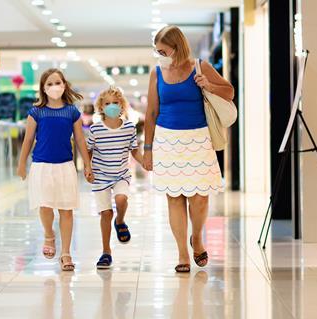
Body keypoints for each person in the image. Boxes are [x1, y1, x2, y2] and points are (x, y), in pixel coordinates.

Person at [143, 25, 234, 273]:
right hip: (167, 141)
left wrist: (208, 85)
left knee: (200, 198)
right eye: (158, 51)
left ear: (177, 46)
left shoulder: (200, 66)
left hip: (197, 139)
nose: (161, 55)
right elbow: (150, 112)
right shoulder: (157, 73)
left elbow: (229, 91)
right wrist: (147, 148)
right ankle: (183, 253)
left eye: (163, 50)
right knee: (174, 198)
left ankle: (197, 238)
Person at [17, 68, 93, 272]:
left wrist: (87, 164)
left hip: (65, 166)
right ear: (43, 88)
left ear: (64, 84)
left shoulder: (72, 112)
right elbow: (28, 140)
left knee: (66, 210)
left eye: (57, 82)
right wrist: (21, 164)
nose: (54, 87)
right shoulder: (36, 112)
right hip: (41, 166)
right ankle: (49, 235)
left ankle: (66, 253)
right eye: (49, 84)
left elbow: (79, 140)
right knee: (45, 206)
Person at [87, 86, 143, 269]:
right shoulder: (95, 130)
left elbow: (134, 150)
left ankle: (120, 220)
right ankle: (106, 252)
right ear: (101, 108)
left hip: (120, 174)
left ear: (122, 105)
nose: (112, 106)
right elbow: (88, 151)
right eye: (107, 103)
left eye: (115, 102)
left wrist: (144, 162)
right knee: (105, 213)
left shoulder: (129, 128)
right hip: (100, 176)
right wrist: (87, 168)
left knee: (121, 199)